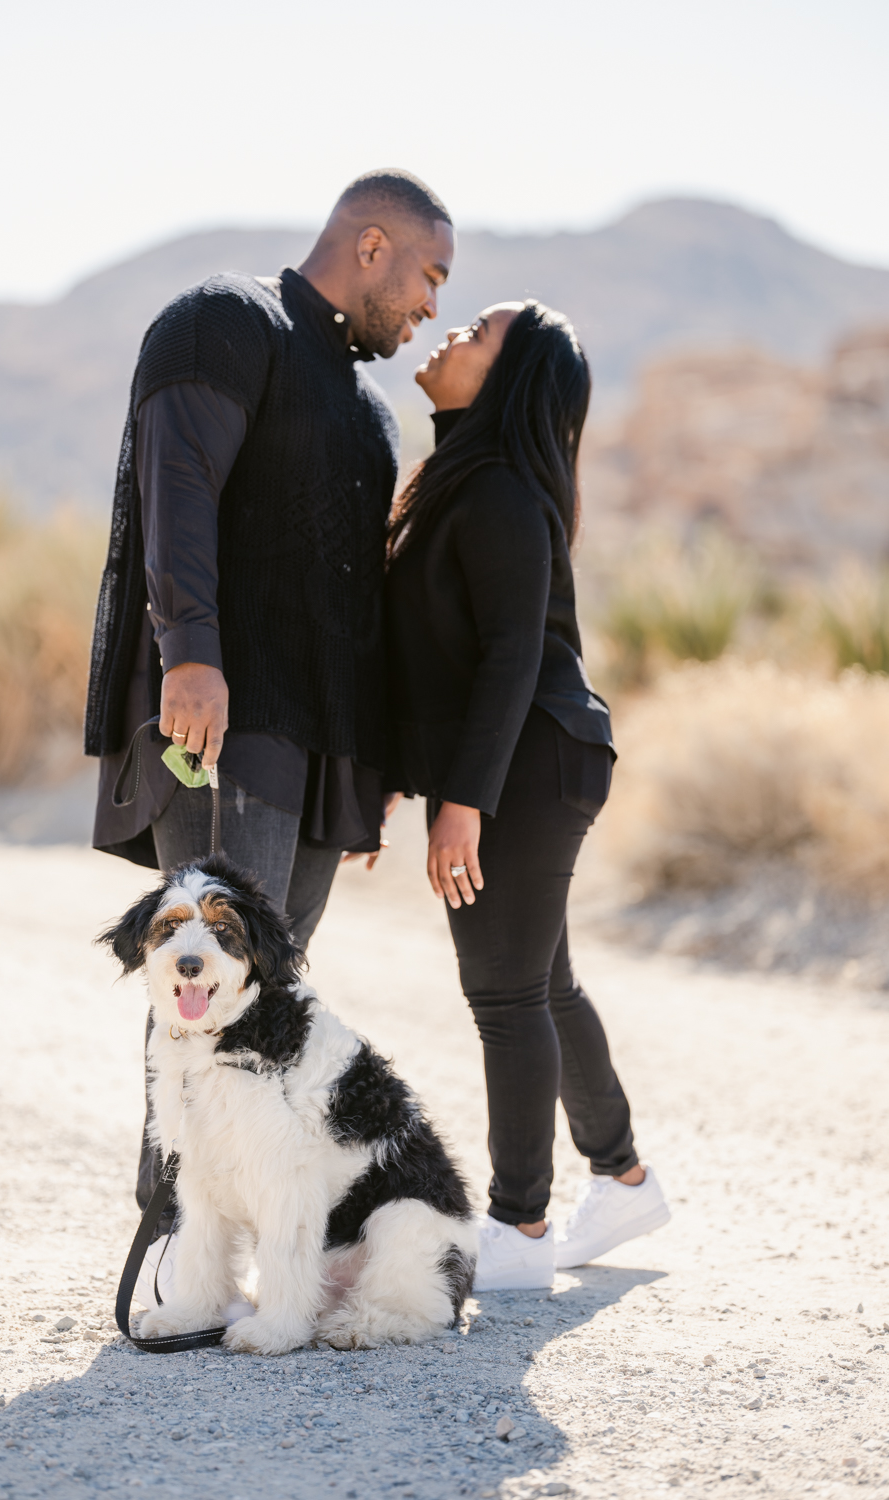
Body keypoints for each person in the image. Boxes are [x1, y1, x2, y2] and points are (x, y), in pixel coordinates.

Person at [84, 168, 456, 1301]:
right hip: (219, 717)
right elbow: (177, 481)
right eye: (431, 276)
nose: (432, 307)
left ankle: (233, 1254)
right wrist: (190, 648)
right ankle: (167, 1257)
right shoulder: (222, 321)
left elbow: (352, 602)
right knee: (192, 985)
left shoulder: (364, 404)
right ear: (376, 243)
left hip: (315, 749)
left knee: (265, 1010)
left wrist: (368, 771)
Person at [384, 301, 670, 1288]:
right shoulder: (467, 478)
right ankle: (624, 1180)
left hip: (527, 759)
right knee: (542, 984)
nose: (452, 333)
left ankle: (519, 1232)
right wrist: (395, 783)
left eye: (479, 331)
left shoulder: (499, 489)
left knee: (504, 992)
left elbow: (511, 657)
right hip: (528, 757)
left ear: (505, 381)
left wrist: (460, 801)